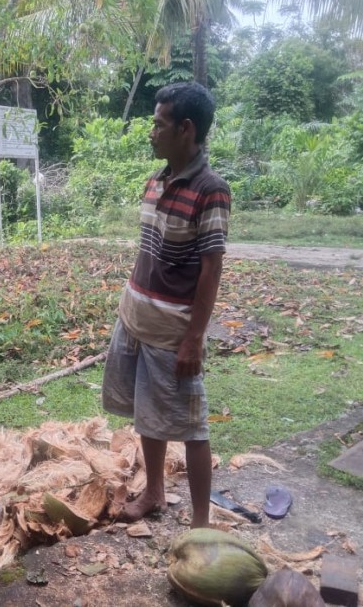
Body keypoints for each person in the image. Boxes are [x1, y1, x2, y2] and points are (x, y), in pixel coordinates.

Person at [102, 82, 230, 529]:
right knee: (146, 412)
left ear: (186, 129)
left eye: (159, 124)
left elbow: (211, 270)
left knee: (193, 427)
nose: (152, 132)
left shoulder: (211, 190)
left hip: (173, 331)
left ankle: (200, 525)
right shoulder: (154, 182)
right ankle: (154, 492)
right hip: (135, 319)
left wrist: (194, 339)